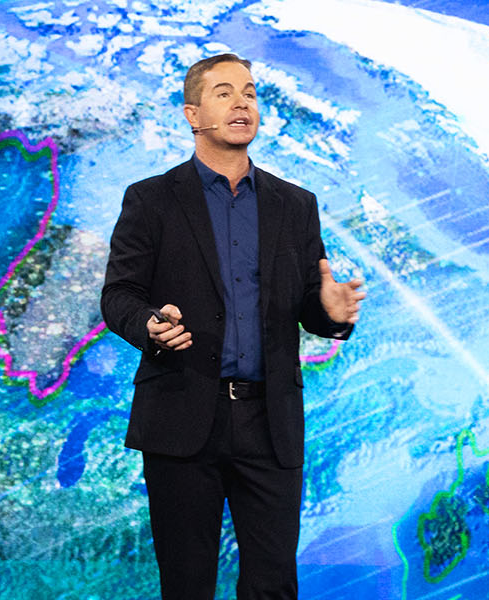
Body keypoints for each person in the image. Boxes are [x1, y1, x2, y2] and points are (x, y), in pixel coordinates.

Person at [99, 52, 366, 599]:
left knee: (273, 586)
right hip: (181, 414)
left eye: (249, 92)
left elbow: (306, 306)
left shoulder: (296, 205)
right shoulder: (151, 200)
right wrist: (151, 324)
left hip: (270, 424)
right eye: (224, 92)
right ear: (193, 114)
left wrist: (331, 316)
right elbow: (118, 296)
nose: (242, 102)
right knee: (187, 584)